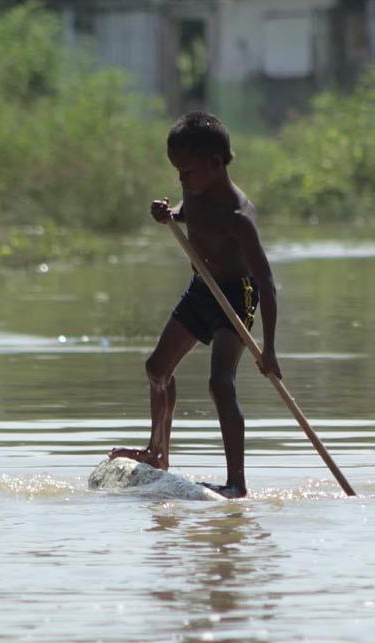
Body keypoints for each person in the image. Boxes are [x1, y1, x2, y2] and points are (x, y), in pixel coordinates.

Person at [109, 112, 280, 500]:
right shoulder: (194, 193)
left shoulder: (239, 218)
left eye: (186, 171)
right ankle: (157, 452)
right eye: (177, 172)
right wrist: (170, 216)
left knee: (221, 382)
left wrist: (268, 349)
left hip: (238, 296)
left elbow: (267, 285)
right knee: (156, 368)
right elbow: (192, 216)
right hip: (203, 287)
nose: (181, 180)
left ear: (215, 164)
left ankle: (236, 483)